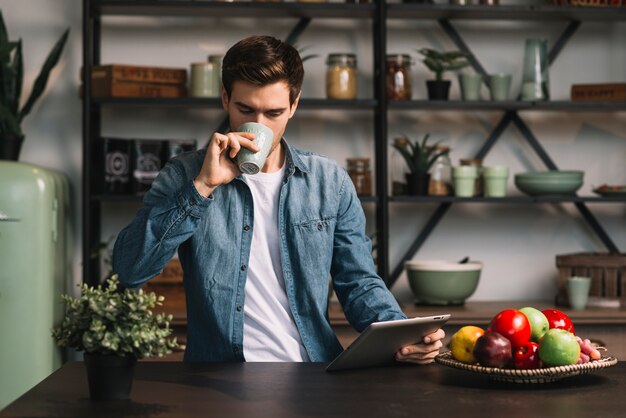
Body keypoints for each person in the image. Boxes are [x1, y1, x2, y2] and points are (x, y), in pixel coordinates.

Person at [112, 35, 444, 363]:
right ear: (225, 98)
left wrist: (403, 335)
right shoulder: (185, 176)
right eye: (246, 109)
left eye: (273, 113)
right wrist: (202, 188)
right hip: (219, 376)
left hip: (312, 371)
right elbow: (130, 269)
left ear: (294, 106)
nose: (259, 126)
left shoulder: (329, 182)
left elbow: (358, 282)